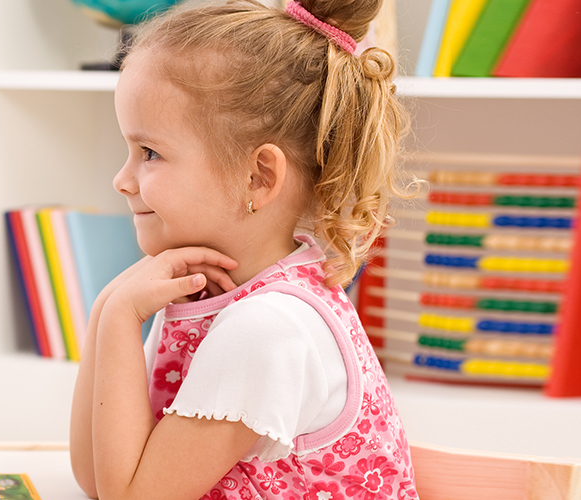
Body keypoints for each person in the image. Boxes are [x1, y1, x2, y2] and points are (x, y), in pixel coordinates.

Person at [68, 0, 419, 498]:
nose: (121, 180)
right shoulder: (212, 298)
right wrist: (109, 308)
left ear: (258, 177)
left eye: (150, 153)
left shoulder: (268, 328)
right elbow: (99, 480)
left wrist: (122, 318)